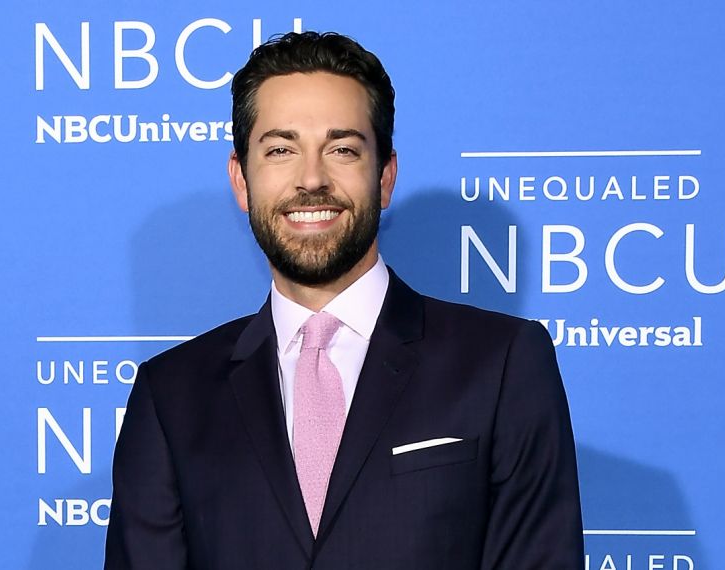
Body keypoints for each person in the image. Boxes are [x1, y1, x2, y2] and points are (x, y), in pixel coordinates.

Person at [105, 31, 583, 569]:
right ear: (241, 180)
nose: (312, 179)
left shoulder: (503, 363)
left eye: (342, 149)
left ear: (384, 177)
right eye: (282, 150)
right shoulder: (170, 395)